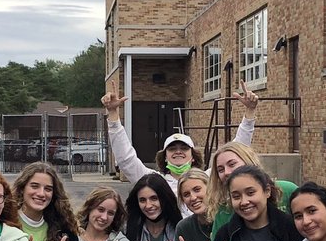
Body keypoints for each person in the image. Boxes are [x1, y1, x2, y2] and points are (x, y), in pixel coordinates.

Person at [101, 81, 259, 200]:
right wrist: (113, 114)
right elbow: (126, 160)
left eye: (184, 148)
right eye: (172, 148)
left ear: (193, 156)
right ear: (164, 157)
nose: (178, 151)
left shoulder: (209, 179)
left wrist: (250, 112)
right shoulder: (155, 181)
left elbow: (238, 151)